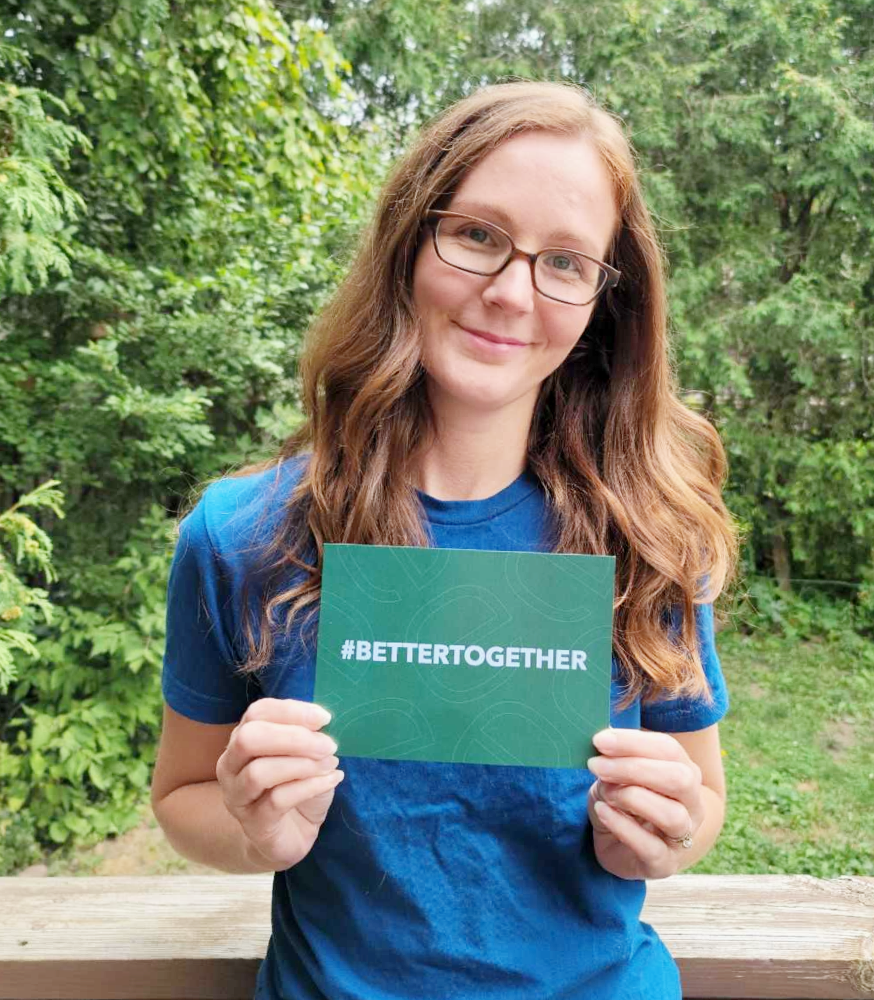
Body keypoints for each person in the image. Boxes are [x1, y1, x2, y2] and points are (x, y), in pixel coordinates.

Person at [151, 80, 737, 1000]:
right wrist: (254, 827)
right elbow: (181, 799)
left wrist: (660, 835)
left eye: (567, 262)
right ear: (407, 240)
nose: (512, 293)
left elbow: (702, 800)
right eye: (477, 235)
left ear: (600, 306)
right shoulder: (242, 537)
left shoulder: (651, 541)